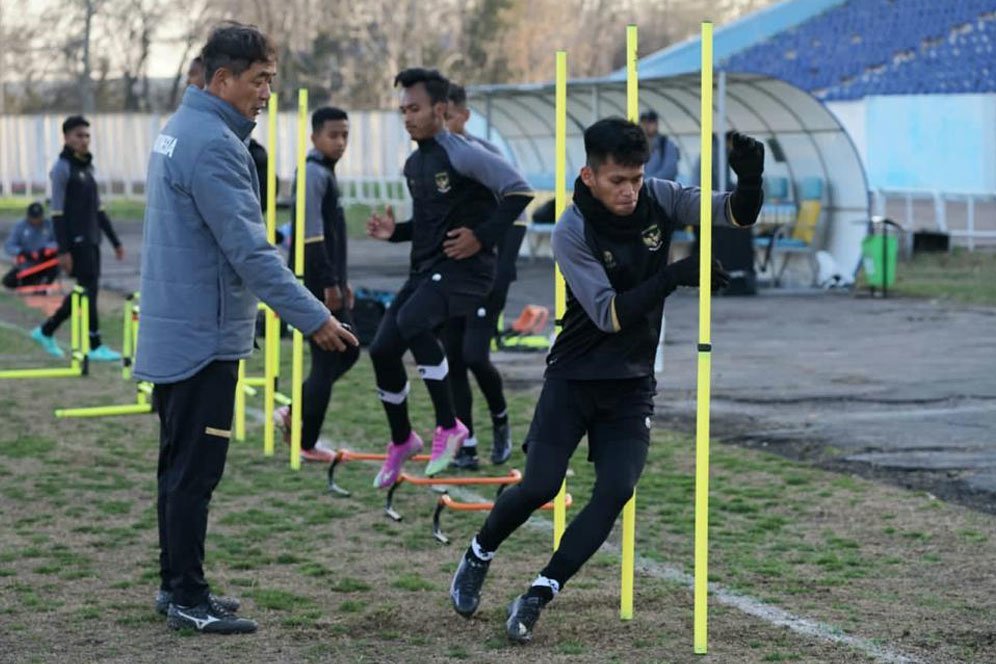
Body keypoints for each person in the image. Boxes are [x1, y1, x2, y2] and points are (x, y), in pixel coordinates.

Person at [449, 117, 765, 643]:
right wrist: (673, 275)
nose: (630, 190)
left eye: (636, 178)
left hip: (631, 383)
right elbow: (608, 314)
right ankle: (478, 553)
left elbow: (733, 213)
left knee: (617, 488)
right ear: (589, 175)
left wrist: (752, 180)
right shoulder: (572, 229)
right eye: (618, 179)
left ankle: (539, 593)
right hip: (574, 377)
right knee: (541, 486)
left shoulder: (660, 197)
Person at [134, 22, 358, 635]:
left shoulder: (184, 129)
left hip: (179, 329)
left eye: (270, 81)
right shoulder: (212, 144)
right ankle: (186, 595)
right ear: (222, 78)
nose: (266, 93)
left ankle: (176, 585)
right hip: (200, 339)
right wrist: (315, 319)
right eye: (259, 81)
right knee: (194, 474)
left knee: (178, 468)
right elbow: (251, 253)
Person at [366, 67, 532, 488]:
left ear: (440, 110)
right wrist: (395, 233)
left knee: (414, 325)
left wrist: (481, 237)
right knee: (382, 348)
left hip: (466, 271)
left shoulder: (462, 153)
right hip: (426, 270)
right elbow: (428, 223)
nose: (407, 117)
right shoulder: (413, 164)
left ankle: (450, 427)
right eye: (403, 109)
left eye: (415, 108)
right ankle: (403, 439)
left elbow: (520, 191)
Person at [442, 83, 526, 470]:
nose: (441, 124)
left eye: (448, 117)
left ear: (463, 116)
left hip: (487, 275)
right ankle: (468, 444)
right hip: (451, 276)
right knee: (454, 359)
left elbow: (518, 210)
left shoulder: (483, 155)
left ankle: (501, 419)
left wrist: (501, 270)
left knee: (475, 355)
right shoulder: (434, 159)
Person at [273, 106, 359, 462]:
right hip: (314, 282)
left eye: (345, 135)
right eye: (333, 135)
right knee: (328, 360)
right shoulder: (311, 173)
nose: (340, 142)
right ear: (314, 137)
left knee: (348, 349)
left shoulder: (325, 173)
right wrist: (327, 284)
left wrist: (342, 281)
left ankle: (293, 410)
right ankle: (306, 442)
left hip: (330, 280)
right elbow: (310, 238)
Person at [30, 115, 125, 361]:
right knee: (88, 289)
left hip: (93, 238)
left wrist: (115, 241)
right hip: (76, 241)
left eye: (87, 136)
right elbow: (57, 213)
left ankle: (46, 330)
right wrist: (63, 250)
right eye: (79, 135)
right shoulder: (62, 169)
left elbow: (99, 209)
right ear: (67, 137)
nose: (84, 140)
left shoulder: (87, 167)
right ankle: (94, 344)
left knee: (86, 290)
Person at [188, 55, 269, 213]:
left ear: (218, 79)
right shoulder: (186, 132)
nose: (187, 81)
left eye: (192, 74)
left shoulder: (224, 144)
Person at [3, 202, 59, 289]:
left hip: (45, 261)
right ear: (28, 216)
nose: (36, 220)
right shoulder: (20, 226)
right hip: (28, 263)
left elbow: (58, 242)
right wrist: (21, 252)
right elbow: (9, 245)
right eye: (33, 218)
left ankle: (45, 282)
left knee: (55, 260)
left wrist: (46, 249)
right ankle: (33, 283)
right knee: (8, 281)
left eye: (38, 217)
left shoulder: (49, 225)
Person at [639, 110, 680, 181]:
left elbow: (670, 171)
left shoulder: (666, 144)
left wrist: (647, 181)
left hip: (662, 190)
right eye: (644, 122)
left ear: (656, 124)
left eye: (650, 122)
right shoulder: (637, 145)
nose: (646, 126)